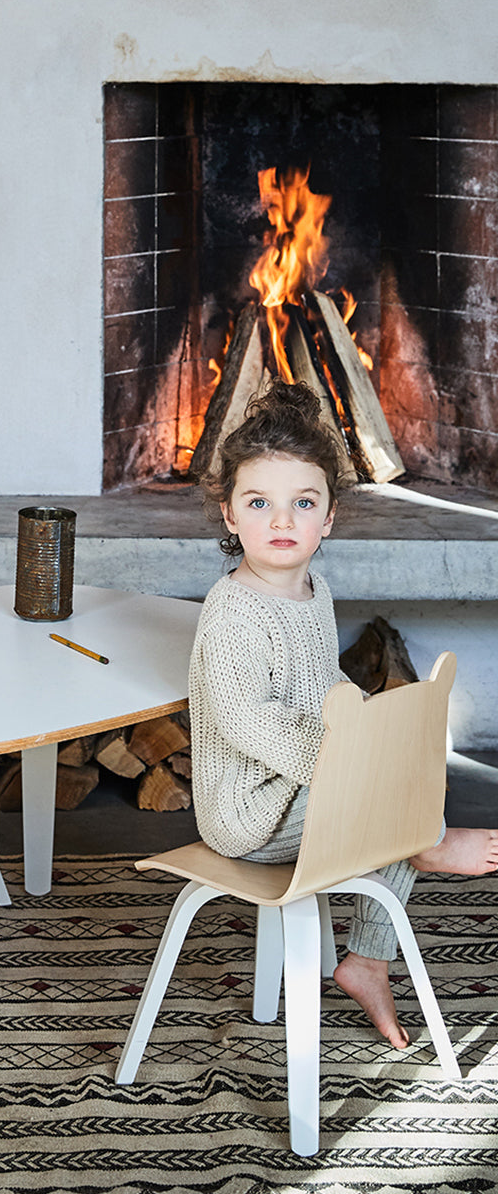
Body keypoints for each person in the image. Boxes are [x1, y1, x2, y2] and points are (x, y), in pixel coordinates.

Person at [189, 379, 498, 1049]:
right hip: (250, 808)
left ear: (328, 517)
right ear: (229, 516)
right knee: (393, 801)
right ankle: (427, 840)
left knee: (404, 771)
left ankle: (367, 961)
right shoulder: (233, 616)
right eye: (259, 503)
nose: (281, 522)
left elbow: (321, 674)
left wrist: (363, 726)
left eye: (303, 503)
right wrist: (346, 761)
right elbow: (248, 719)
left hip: (302, 778)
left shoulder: (312, 588)